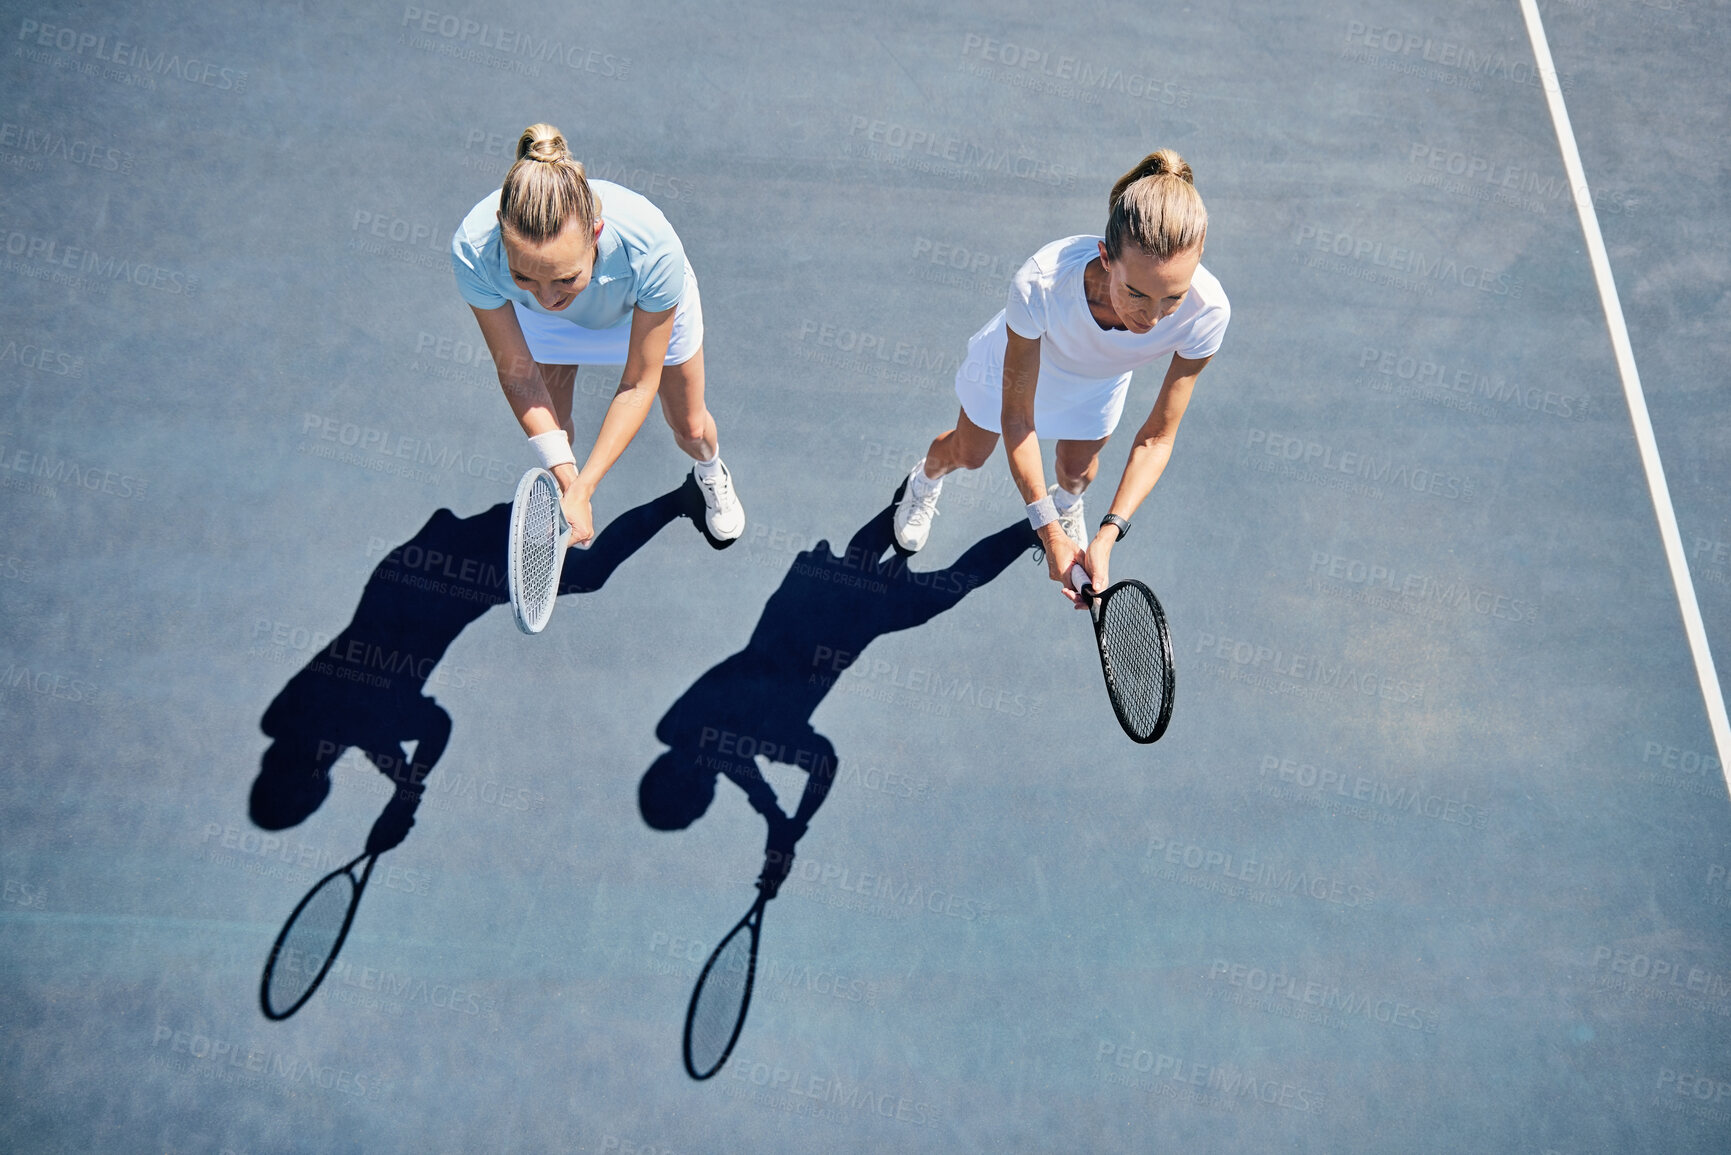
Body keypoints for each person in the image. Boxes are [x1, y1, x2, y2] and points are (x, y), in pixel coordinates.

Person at [892, 149, 1228, 605]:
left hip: (1097, 384)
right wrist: (1046, 530)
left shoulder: (1207, 314)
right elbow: (1017, 420)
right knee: (969, 454)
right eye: (1136, 294)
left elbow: (1156, 439)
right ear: (1106, 256)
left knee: (1078, 473)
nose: (1151, 318)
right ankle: (924, 480)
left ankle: (1068, 505)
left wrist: (1110, 533)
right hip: (1013, 372)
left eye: (1173, 297)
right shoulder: (1041, 283)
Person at [452, 123, 744, 544]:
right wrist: (570, 479)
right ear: (500, 231)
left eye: (565, 278)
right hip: (551, 331)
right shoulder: (473, 252)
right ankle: (562, 493)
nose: (549, 297)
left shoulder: (653, 249)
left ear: (596, 234)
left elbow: (639, 383)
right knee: (558, 429)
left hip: (644, 308)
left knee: (692, 429)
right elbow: (518, 375)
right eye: (524, 277)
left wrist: (587, 488)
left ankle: (711, 470)